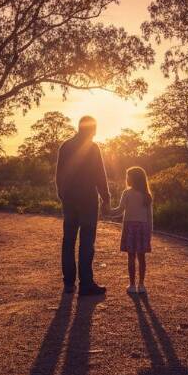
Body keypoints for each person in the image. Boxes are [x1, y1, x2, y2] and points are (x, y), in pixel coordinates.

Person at [55, 115, 110, 296]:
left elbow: (59, 174)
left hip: (70, 199)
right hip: (88, 200)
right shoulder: (93, 148)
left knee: (68, 240)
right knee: (87, 242)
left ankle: (69, 283)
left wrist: (62, 195)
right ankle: (86, 283)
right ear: (92, 129)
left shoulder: (65, 146)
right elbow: (100, 175)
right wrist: (106, 199)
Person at [108, 166, 153, 294]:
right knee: (141, 257)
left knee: (132, 257)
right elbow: (150, 217)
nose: (126, 178)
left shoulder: (127, 193)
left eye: (128, 176)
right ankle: (141, 285)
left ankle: (133, 285)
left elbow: (119, 210)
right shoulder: (146, 195)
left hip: (130, 227)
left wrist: (108, 211)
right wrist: (150, 232)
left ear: (134, 178)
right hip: (143, 228)